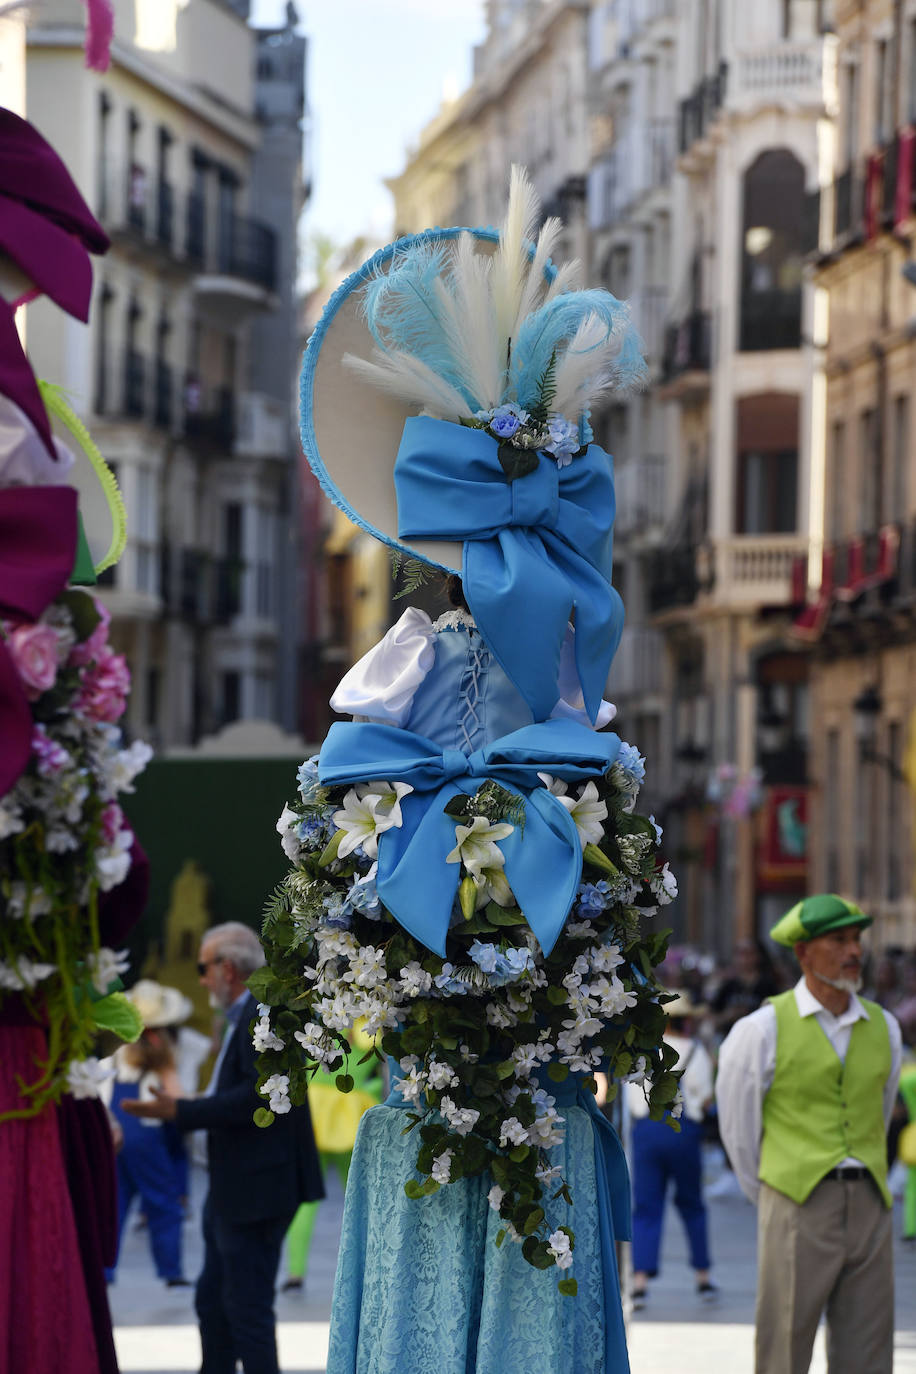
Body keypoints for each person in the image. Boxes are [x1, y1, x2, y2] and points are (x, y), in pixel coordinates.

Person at [123, 922, 324, 1374]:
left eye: (202, 967)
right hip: (235, 1187)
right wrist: (187, 1108)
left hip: (257, 1192)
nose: (200, 979)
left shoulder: (264, 1013)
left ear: (226, 968)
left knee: (245, 1311)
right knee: (214, 1303)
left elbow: (260, 1097)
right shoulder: (247, 1014)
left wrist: (181, 1111)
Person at [716, 894, 903, 1374]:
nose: (854, 951)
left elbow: (878, 1114)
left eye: (856, 939)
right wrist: (775, 1194)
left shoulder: (885, 1027)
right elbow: (738, 1129)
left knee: (870, 1348)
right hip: (797, 1200)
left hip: (869, 1202)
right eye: (838, 940)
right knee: (784, 1345)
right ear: (803, 953)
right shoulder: (761, 1029)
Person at [627, 994, 716, 1310]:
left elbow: (633, 1098)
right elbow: (705, 1098)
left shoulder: (642, 1054)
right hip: (683, 1134)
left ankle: (639, 1283)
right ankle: (703, 1278)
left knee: (647, 1207)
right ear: (686, 1020)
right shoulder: (695, 1052)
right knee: (692, 1204)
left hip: (647, 1134)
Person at [103, 982, 193, 1286]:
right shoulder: (161, 1052)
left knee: (112, 1203)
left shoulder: (113, 1047)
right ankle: (171, 1270)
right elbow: (178, 1098)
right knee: (164, 1203)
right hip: (146, 1132)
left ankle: (104, 1269)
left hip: (111, 1128)